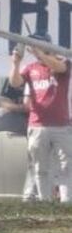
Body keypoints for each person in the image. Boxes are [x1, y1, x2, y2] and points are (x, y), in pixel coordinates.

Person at [9, 34, 72, 203]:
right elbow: (15, 83)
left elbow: (59, 68)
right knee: (40, 167)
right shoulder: (31, 68)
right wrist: (15, 63)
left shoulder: (63, 61)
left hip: (62, 125)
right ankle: (45, 202)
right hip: (37, 125)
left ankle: (67, 203)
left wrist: (40, 53)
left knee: (66, 166)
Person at [0, 78, 37, 201]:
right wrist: (22, 108)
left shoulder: (45, 75)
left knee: (37, 157)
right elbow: (3, 102)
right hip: (16, 115)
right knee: (0, 115)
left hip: (39, 120)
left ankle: (30, 197)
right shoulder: (15, 76)